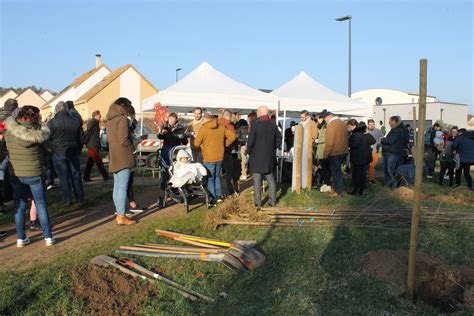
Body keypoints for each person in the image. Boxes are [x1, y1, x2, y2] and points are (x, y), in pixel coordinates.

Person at [5, 105, 54, 247]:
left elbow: (4, 150)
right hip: (35, 172)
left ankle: (20, 238)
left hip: (16, 174)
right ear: (35, 117)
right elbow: (51, 149)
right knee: (40, 204)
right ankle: (48, 237)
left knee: (20, 207)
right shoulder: (39, 133)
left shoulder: (9, 133)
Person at [106, 98, 137, 225]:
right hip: (123, 155)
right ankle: (122, 216)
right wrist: (136, 141)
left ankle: (119, 214)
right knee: (123, 187)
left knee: (117, 187)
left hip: (114, 154)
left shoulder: (110, 119)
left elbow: (108, 139)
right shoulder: (122, 119)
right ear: (123, 106)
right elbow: (124, 140)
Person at [194, 111, 235, 206]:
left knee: (210, 178)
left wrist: (197, 137)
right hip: (220, 156)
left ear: (205, 119)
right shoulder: (221, 127)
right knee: (217, 176)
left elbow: (196, 143)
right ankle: (219, 195)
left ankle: (213, 198)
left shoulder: (203, 129)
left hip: (208, 157)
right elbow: (232, 137)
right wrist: (225, 144)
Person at [48, 101, 84, 205]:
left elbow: (47, 138)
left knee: (63, 176)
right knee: (76, 174)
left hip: (58, 150)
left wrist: (51, 150)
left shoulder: (52, 122)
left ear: (57, 109)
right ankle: (80, 197)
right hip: (73, 148)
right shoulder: (76, 121)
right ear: (67, 109)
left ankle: (68, 199)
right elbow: (81, 137)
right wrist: (79, 149)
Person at [247, 106, 281, 209]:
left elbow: (250, 142)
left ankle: (258, 203)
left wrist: (249, 151)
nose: (256, 113)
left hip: (257, 157)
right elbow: (279, 139)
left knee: (257, 180)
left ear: (261, 112)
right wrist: (273, 147)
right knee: (270, 179)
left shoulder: (255, 125)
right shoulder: (273, 124)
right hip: (269, 156)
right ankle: (272, 201)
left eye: (257, 112)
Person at [322, 111, 348, 198]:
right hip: (343, 151)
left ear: (329, 116)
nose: (325, 120)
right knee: (338, 172)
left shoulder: (331, 125)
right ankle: (337, 190)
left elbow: (329, 143)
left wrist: (325, 154)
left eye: (325, 118)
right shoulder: (342, 123)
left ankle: (338, 191)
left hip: (335, 152)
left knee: (336, 173)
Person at [348, 122, 376, 195]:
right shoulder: (367, 135)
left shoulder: (355, 135)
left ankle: (356, 189)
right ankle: (361, 190)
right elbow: (373, 141)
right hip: (365, 158)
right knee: (363, 174)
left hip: (357, 158)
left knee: (357, 174)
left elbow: (352, 144)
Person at [83, 110, 109, 182]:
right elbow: (88, 132)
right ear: (96, 115)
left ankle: (86, 177)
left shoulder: (95, 122)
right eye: (100, 115)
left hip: (93, 144)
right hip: (92, 145)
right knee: (98, 161)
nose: (101, 116)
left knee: (90, 162)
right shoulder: (93, 122)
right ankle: (105, 176)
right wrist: (85, 142)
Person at [218, 110, 238, 196]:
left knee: (217, 173)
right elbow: (233, 137)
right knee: (229, 172)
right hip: (226, 151)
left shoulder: (216, 123)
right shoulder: (229, 125)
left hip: (216, 151)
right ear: (229, 116)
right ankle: (230, 190)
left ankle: (219, 192)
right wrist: (226, 144)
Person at [381, 116, 404, 189]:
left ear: (394, 122)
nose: (389, 123)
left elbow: (391, 140)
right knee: (386, 170)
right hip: (388, 153)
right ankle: (388, 184)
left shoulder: (397, 131)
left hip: (392, 153)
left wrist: (382, 139)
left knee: (390, 170)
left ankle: (393, 185)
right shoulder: (393, 130)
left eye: (390, 121)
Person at [452, 118, 474, 190]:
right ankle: (470, 186)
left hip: (461, 157)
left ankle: (458, 184)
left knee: (458, 171)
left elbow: (454, 146)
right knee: (466, 172)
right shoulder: (472, 137)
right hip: (470, 158)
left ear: (461, 132)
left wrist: (454, 150)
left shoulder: (460, 137)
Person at [315, 115, 331, 193]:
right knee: (322, 168)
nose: (317, 120)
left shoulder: (326, 126)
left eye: (318, 118)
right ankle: (326, 183)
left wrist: (318, 140)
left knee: (325, 168)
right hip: (320, 150)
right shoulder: (322, 126)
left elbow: (327, 138)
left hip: (324, 150)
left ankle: (328, 184)